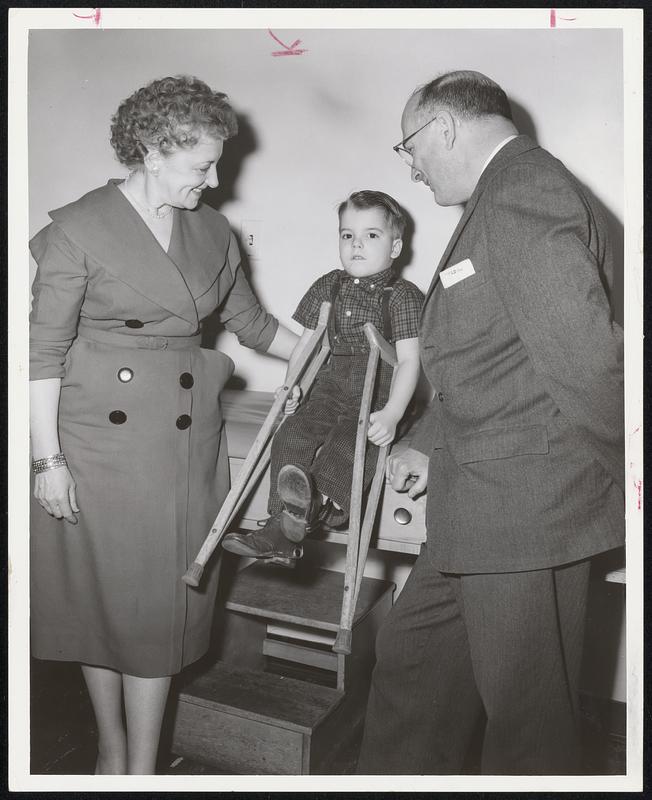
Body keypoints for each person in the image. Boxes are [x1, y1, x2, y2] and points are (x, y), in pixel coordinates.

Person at [356, 71, 624, 775]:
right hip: (476, 507)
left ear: (443, 128)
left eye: (408, 147)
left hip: (527, 513)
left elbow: (586, 361)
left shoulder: (525, 193)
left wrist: (625, 475)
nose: (409, 166)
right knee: (412, 674)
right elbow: (494, 359)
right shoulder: (499, 197)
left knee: (528, 726)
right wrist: (425, 441)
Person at [29, 75, 298, 774]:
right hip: (92, 442)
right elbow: (41, 355)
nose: (211, 182)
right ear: (150, 149)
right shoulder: (77, 230)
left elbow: (255, 326)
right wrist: (46, 461)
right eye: (200, 165)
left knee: (154, 609)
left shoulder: (213, 231)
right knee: (102, 602)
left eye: (215, 165)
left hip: (180, 445)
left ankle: (141, 769)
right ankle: (112, 753)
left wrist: (330, 348)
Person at [222, 191, 424, 564]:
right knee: (293, 431)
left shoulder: (403, 297)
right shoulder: (328, 285)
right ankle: (282, 521)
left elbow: (410, 362)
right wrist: (292, 383)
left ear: (395, 247)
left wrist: (394, 414)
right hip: (329, 384)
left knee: (350, 439)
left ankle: (319, 506)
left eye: (371, 236)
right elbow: (306, 344)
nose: (357, 245)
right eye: (347, 235)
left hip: (378, 390)